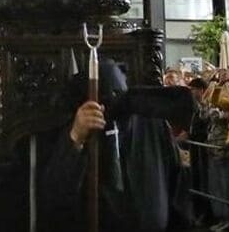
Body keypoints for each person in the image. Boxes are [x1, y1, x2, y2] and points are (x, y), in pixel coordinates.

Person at [39, 58, 187, 232]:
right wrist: (76, 137)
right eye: (105, 101)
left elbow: (176, 185)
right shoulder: (76, 126)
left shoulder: (152, 123)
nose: (111, 106)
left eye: (118, 96)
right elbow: (54, 195)